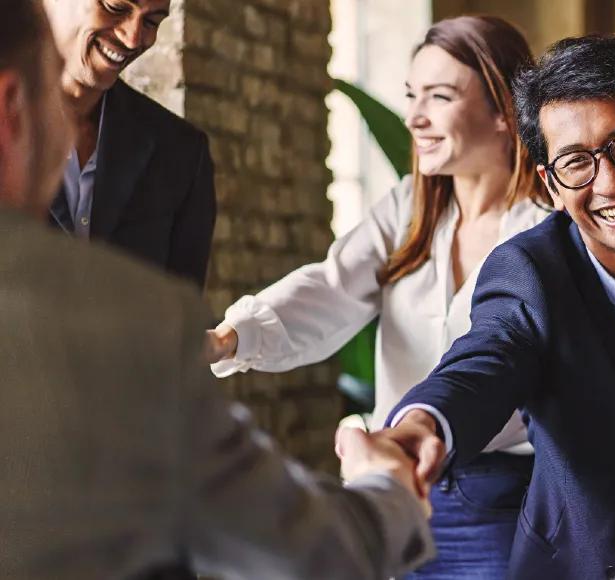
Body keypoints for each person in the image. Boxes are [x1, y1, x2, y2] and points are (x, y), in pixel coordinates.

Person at [0, 2, 432, 578]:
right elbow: (300, 545)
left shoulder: (175, 154)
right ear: (12, 112)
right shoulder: (141, 323)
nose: (134, 34)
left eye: (153, 16)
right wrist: (388, 488)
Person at [352, 35, 615, 579]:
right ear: (551, 185)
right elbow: (483, 363)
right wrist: (416, 430)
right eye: (575, 163)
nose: (608, 183)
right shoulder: (532, 273)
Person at [205, 16, 551, 579]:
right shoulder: (407, 209)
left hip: (505, 506)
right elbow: (331, 287)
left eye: (439, 97)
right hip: (397, 493)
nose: (415, 117)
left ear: (503, 110)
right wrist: (228, 338)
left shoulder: (548, 229)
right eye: (412, 95)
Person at [41, 0, 216, 289]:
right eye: (116, 7)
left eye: (152, 22)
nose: (133, 38)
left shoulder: (182, 153)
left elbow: (182, 321)